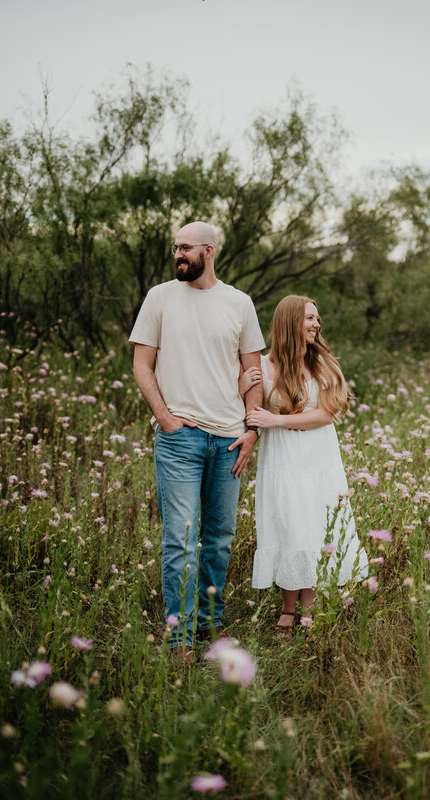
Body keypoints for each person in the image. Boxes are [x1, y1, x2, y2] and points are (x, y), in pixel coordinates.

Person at [130, 221, 266, 665]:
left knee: (220, 538)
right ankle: (180, 637)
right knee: (181, 540)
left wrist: (252, 430)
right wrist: (166, 419)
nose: (178, 255)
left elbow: (253, 375)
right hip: (180, 441)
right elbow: (141, 365)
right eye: (175, 248)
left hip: (229, 439)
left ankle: (210, 619)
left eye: (185, 248)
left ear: (209, 251)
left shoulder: (239, 304)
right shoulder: (160, 297)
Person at [242, 295, 368, 638]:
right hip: (281, 461)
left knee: (315, 526)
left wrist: (276, 420)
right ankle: (287, 607)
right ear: (289, 322)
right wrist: (242, 387)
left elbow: (327, 414)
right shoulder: (265, 367)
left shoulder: (322, 364)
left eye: (318, 319)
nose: (316, 324)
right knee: (287, 525)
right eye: (309, 318)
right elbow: (247, 409)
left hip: (318, 460)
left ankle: (308, 606)